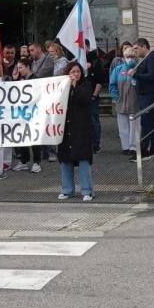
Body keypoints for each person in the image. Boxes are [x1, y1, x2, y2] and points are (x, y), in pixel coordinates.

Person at [58, 62, 95, 201]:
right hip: (65, 129)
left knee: (84, 159)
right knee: (65, 160)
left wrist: (74, 87)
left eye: (78, 71)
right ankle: (67, 190)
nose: (75, 74)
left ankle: (87, 191)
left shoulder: (86, 85)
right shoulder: (62, 87)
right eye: (72, 72)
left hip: (81, 129)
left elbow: (83, 99)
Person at [130, 38, 154, 161]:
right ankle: (152, 149)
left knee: (147, 123)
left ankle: (145, 149)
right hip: (145, 94)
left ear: (144, 47)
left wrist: (136, 75)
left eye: (136, 48)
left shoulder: (152, 57)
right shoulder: (144, 59)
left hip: (150, 95)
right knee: (149, 122)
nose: (135, 51)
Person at [12, 58, 44, 173]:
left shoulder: (35, 79)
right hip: (22, 114)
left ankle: (36, 162)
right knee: (23, 137)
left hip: (34, 113)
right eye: (18, 68)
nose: (19, 70)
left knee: (34, 137)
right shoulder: (21, 80)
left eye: (21, 67)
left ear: (27, 67)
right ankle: (24, 161)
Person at [110, 47, 139, 155]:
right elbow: (112, 84)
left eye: (132, 57)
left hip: (135, 103)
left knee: (134, 127)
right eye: (128, 57)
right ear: (123, 57)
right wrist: (115, 97)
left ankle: (134, 147)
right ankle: (125, 147)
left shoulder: (138, 69)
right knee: (123, 127)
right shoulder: (118, 69)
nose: (130, 59)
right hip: (121, 103)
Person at [85, 41, 104, 154]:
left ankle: (95, 144)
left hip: (91, 95)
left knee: (93, 120)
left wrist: (94, 96)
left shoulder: (96, 60)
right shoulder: (77, 60)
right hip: (80, 96)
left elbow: (99, 81)